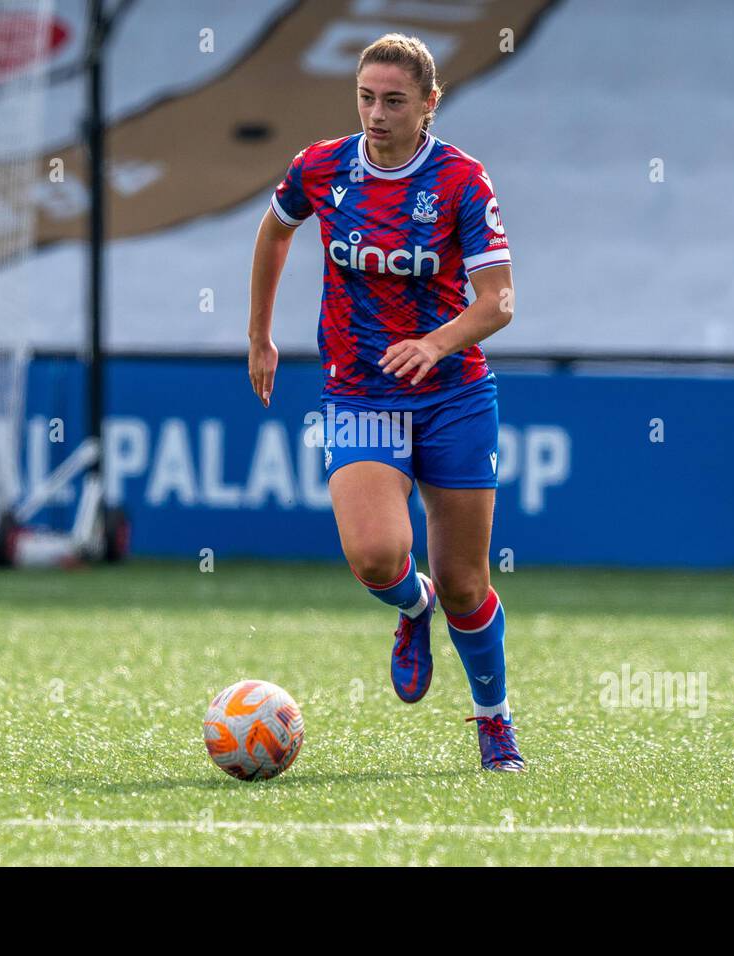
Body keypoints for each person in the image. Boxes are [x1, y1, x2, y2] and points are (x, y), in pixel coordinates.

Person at [247, 33, 523, 771]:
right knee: (375, 555)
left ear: (429, 103)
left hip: (452, 395)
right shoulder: (322, 166)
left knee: (468, 583)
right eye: (366, 97)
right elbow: (275, 230)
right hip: (360, 391)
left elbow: (499, 303)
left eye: (394, 100)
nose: (375, 113)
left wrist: (435, 343)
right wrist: (259, 335)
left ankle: (494, 722)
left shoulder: (462, 181)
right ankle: (411, 605)